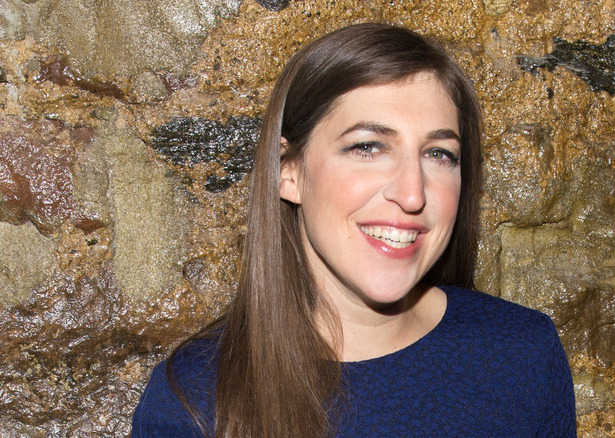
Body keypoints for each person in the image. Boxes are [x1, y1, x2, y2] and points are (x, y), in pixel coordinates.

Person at [131, 23, 576, 437]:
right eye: (367, 146)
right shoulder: (193, 399)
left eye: (439, 154)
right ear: (289, 171)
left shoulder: (521, 355)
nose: (412, 193)